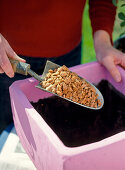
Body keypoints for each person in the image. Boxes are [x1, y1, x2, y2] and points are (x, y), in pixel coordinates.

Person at [0, 0, 125, 133]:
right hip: (7, 57)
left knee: (65, 125)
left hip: (68, 52)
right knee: (8, 131)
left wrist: (103, 41)